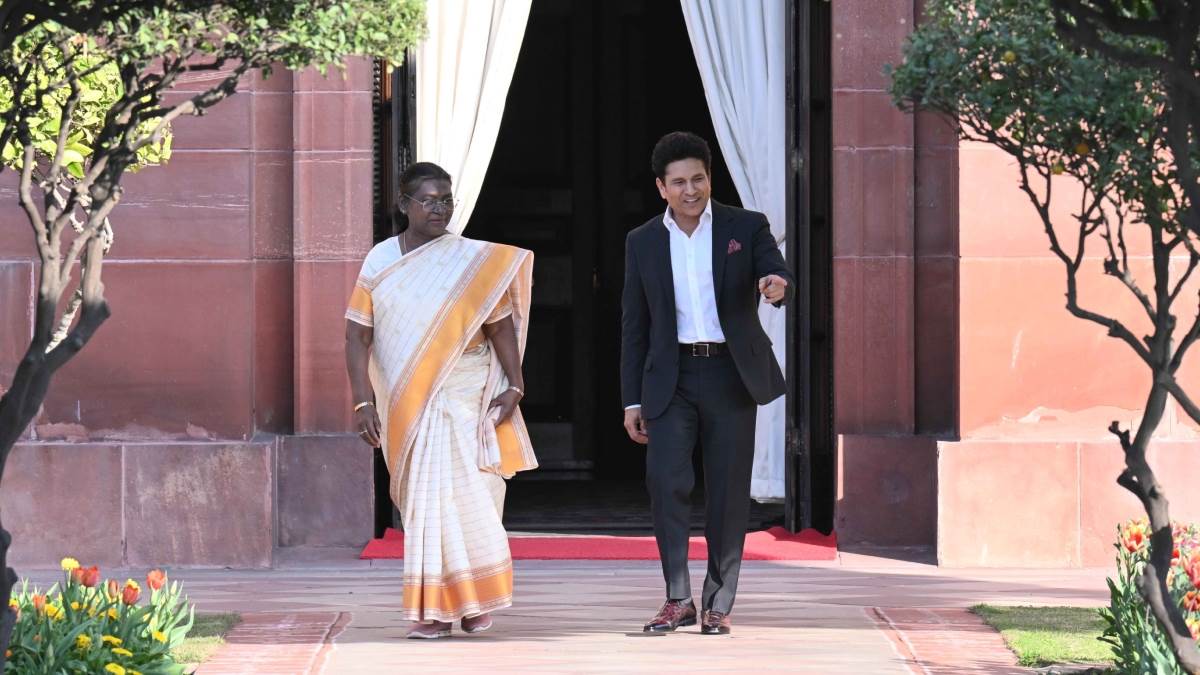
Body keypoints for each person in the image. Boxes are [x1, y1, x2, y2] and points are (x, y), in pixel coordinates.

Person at [345, 161, 537, 639]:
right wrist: (361, 401)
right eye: (428, 200)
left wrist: (515, 385)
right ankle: (431, 610)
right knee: (425, 502)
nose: (439, 208)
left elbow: (499, 326)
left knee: (473, 493)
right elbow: (356, 336)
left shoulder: (470, 261)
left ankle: (472, 603)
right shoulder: (381, 260)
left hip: (468, 394)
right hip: (407, 401)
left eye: (446, 199)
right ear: (403, 205)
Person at [621, 132, 794, 635]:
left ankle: (718, 601)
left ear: (709, 178)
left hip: (730, 375)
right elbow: (635, 325)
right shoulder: (643, 241)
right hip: (668, 379)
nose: (690, 189)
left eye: (698, 178)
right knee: (667, 484)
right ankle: (678, 598)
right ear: (661, 187)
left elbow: (775, 270)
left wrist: (776, 286)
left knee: (727, 490)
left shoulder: (746, 225)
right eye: (679, 182)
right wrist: (631, 399)